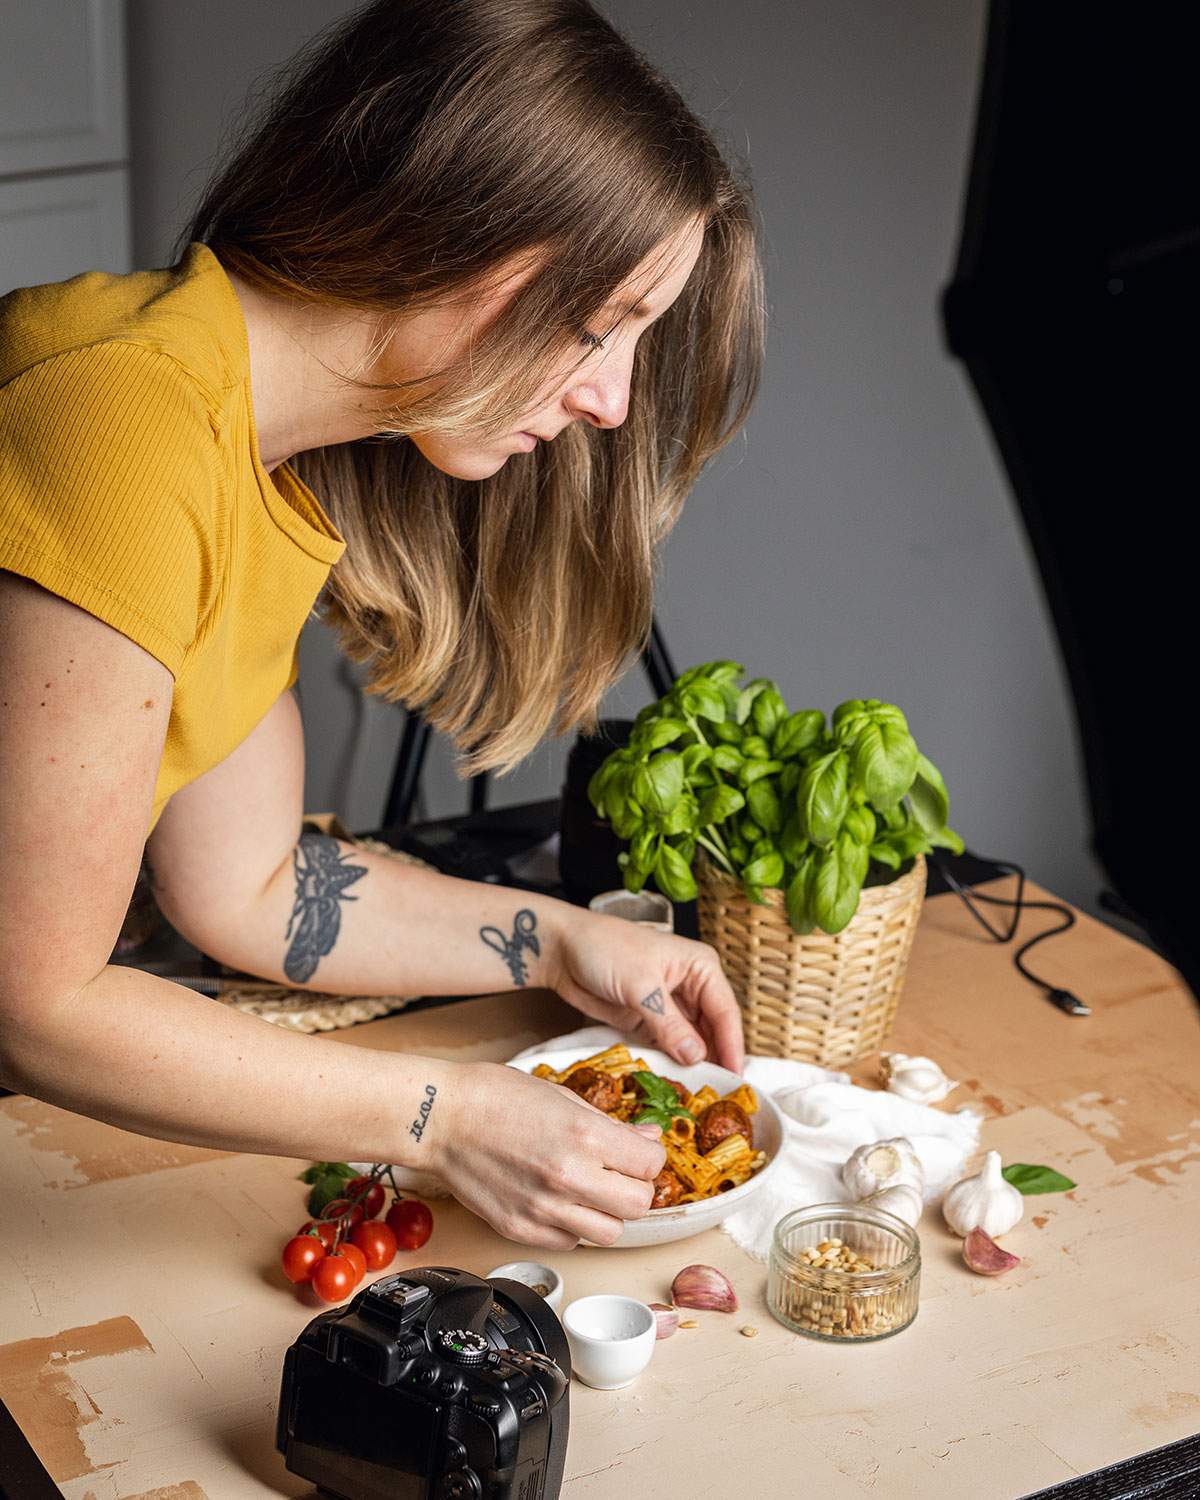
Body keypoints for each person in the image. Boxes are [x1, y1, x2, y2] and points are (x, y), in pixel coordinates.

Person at [0, 0, 764, 1250]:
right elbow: (39, 1003)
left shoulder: (257, 454)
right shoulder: (119, 426)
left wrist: (561, 945)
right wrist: (447, 1116)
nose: (614, 400)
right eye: (595, 323)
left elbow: (248, 887)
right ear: (449, 230)